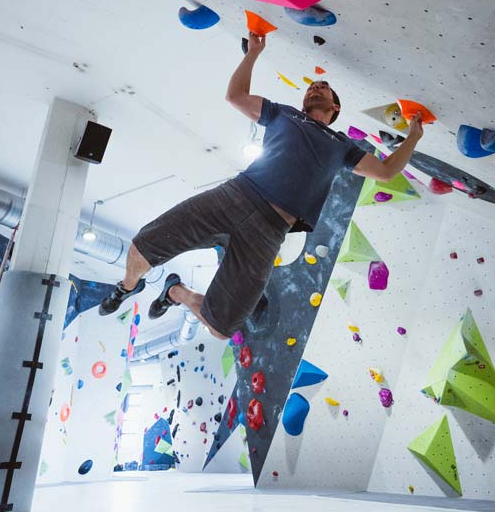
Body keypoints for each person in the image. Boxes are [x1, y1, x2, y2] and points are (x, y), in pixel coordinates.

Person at [99, 32, 424, 338]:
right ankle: (127, 286)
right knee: (142, 246)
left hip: (268, 232)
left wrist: (413, 136)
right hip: (235, 196)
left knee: (221, 329)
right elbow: (235, 96)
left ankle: (176, 292)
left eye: (323, 88)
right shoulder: (284, 114)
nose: (315, 88)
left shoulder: (342, 146)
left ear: (335, 106)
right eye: (312, 87)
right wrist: (254, 53)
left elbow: (385, 171)